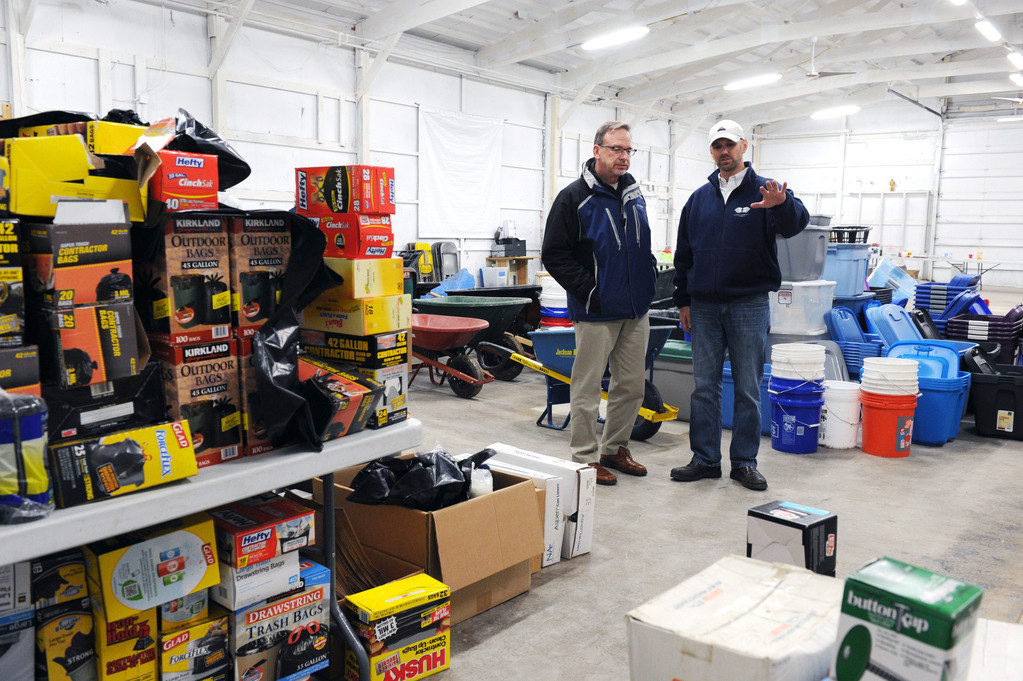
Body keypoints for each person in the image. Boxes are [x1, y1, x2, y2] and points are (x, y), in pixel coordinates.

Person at [670, 119, 809, 491]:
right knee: (704, 387)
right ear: (712, 151)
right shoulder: (699, 199)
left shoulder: (767, 191)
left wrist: (782, 205)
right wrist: (682, 299)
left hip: (748, 304)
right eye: (717, 146)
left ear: (744, 146)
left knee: (748, 387)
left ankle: (745, 462)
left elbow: (796, 224)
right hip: (703, 307)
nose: (724, 151)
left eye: (729, 144)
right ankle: (705, 459)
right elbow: (684, 255)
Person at [541, 121, 657, 486]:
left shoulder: (635, 196)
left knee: (632, 386)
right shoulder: (574, 198)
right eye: (615, 149)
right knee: (588, 388)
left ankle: (614, 448)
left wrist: (648, 277)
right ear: (597, 151)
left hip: (635, 310)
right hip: (595, 313)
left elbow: (642, 247)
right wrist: (590, 292)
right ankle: (585, 458)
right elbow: (554, 255)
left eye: (627, 150)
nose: (623, 157)